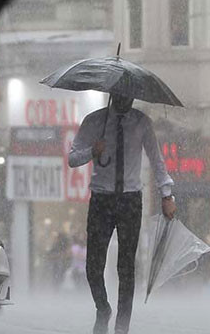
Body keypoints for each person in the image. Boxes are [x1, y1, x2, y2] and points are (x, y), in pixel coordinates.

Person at [69, 94, 175, 334]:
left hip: (129, 200)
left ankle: (121, 327)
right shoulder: (94, 121)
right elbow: (72, 158)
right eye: (121, 92)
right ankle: (103, 308)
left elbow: (157, 161)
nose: (126, 98)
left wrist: (166, 195)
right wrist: (92, 151)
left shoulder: (141, 122)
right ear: (112, 92)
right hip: (102, 199)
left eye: (130, 93)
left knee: (126, 268)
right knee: (93, 266)